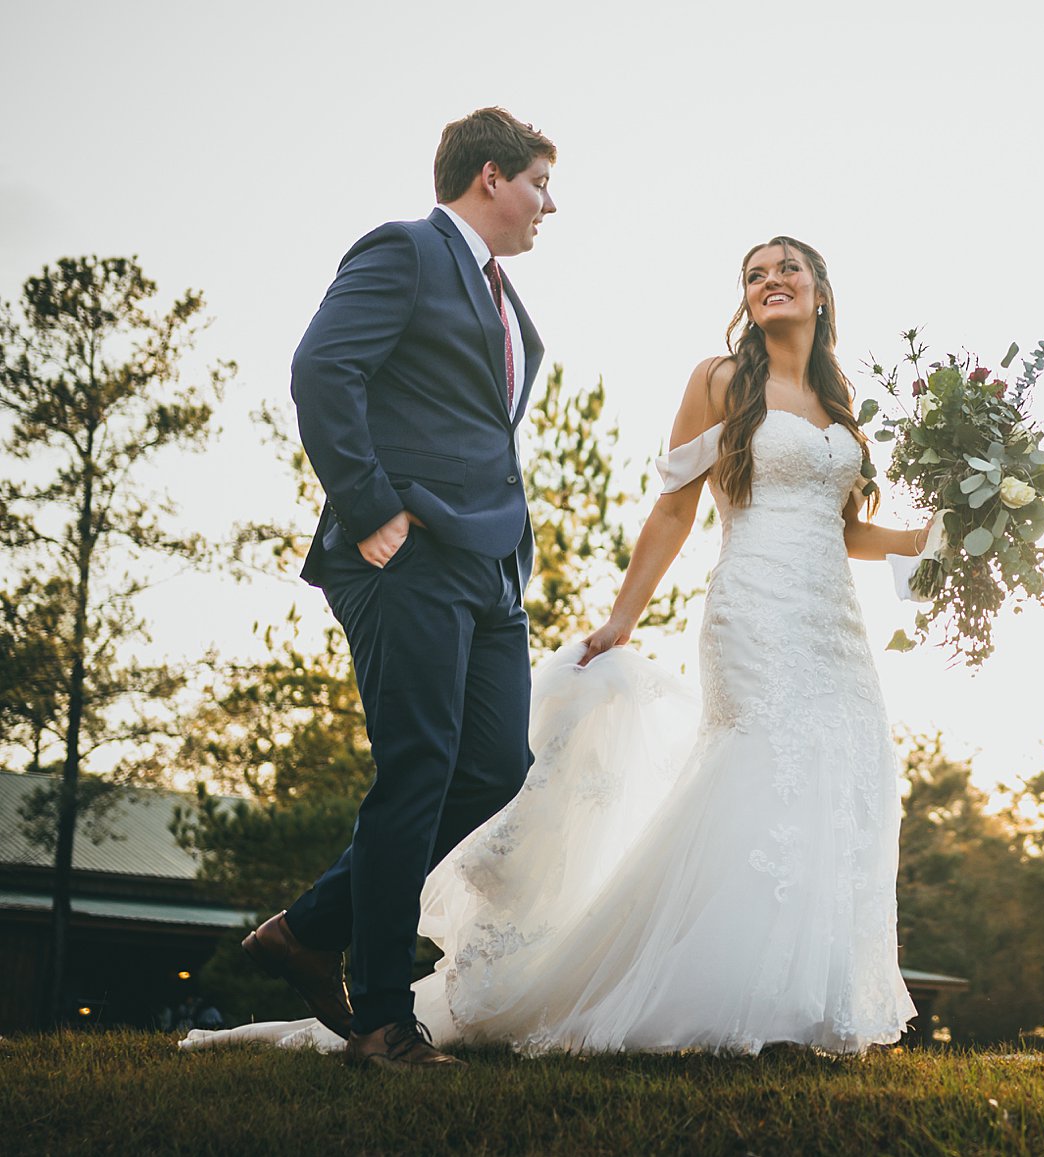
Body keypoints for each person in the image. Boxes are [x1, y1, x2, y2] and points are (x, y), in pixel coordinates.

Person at [185, 235, 922, 1058]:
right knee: (761, 774)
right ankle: (736, 1002)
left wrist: (923, 540)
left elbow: (845, 525)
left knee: (836, 776)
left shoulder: (840, 400)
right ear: (746, 301)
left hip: (834, 623)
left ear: (820, 289)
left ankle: (799, 1007)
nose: (771, 280)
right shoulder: (720, 381)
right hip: (755, 608)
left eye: (788, 268)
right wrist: (621, 619)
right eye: (755, 274)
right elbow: (674, 509)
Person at [235, 108, 553, 1071]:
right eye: (541, 182)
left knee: (495, 763)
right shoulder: (406, 251)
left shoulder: (513, 310)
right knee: (418, 765)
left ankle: (309, 926)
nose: (550, 205)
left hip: (491, 569)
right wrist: (369, 504)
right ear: (490, 177)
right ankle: (380, 1019)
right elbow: (322, 366)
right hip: (401, 554)